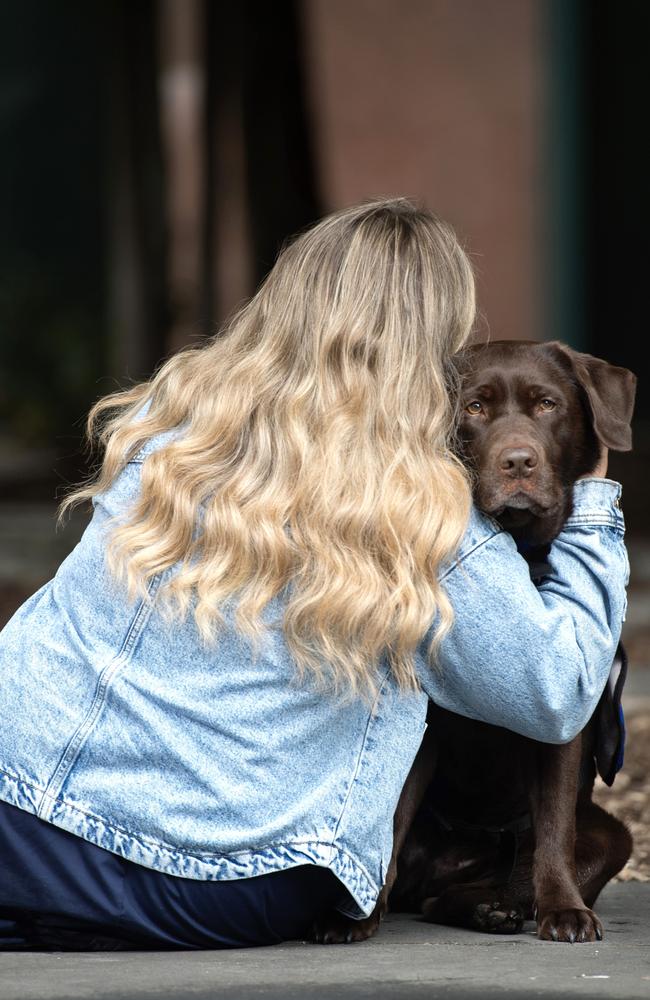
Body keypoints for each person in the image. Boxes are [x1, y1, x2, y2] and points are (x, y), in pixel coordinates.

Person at [0, 198, 627, 951]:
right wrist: (592, 496)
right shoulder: (415, 504)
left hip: (21, 815)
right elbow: (555, 691)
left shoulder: (169, 435)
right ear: (427, 349)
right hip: (215, 879)